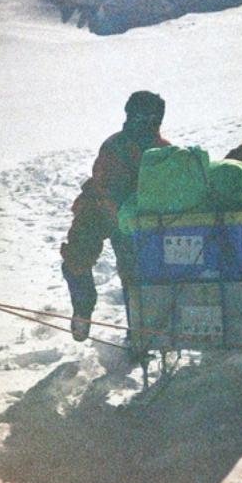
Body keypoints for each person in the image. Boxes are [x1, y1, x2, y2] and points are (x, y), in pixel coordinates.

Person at [60, 91, 169, 341]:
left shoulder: (163, 151)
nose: (146, 122)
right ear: (130, 116)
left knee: (136, 275)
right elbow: (104, 188)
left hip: (136, 219)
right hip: (97, 209)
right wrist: (122, 221)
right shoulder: (113, 147)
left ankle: (137, 333)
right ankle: (83, 309)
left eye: (152, 117)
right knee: (77, 258)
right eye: (140, 116)